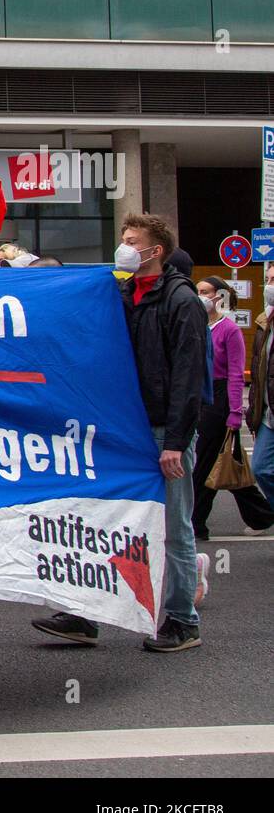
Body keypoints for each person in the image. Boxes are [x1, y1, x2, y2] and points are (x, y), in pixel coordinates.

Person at [32, 214, 206, 652]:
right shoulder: (122, 292)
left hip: (163, 429)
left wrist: (176, 443)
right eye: (123, 240)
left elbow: (188, 378)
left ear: (155, 251)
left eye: (131, 241)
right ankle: (86, 615)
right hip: (122, 428)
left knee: (173, 527)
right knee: (103, 519)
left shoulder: (181, 301)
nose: (123, 248)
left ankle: (183, 620)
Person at [191, 276, 274, 541]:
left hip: (220, 400)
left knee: (204, 465)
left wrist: (235, 412)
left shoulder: (229, 330)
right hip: (200, 397)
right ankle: (261, 514)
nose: (200, 295)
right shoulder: (198, 325)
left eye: (205, 291)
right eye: (197, 291)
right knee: (228, 462)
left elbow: (237, 375)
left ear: (221, 296)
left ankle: (196, 523)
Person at [245, 265, 274, 537]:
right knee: (261, 467)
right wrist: (254, 409)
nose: (268, 285)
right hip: (268, 414)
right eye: (267, 279)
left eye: (273, 280)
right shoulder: (264, 321)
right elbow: (258, 371)